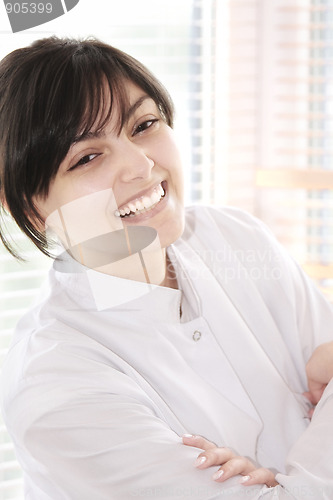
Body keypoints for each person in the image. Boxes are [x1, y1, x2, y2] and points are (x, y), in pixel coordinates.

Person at [0, 36, 332, 500]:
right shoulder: (56, 387)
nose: (141, 165)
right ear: (32, 211)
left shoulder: (233, 237)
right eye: (87, 157)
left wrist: (279, 482)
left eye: (144, 124)